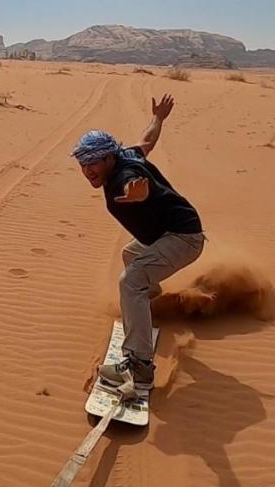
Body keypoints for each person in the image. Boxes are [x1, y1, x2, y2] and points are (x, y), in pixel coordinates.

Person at [71, 94, 206, 393]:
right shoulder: (128, 155)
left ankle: (139, 367)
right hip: (170, 233)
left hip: (183, 238)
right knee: (131, 254)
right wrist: (158, 118)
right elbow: (147, 141)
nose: (88, 170)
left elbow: (135, 189)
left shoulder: (124, 174)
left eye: (93, 162)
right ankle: (149, 298)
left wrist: (137, 194)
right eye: (82, 164)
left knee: (130, 281)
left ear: (108, 158)